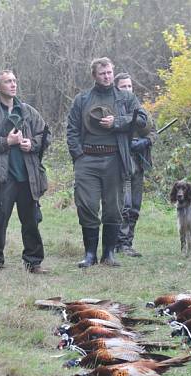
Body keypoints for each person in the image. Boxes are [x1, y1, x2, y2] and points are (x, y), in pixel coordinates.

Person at [67, 58, 147, 267]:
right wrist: (79, 156)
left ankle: (109, 254)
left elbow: (143, 120)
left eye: (110, 72)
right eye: (102, 73)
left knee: (114, 207)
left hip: (115, 158)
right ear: (94, 75)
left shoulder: (125, 98)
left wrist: (118, 121)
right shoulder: (82, 99)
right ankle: (90, 254)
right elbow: (72, 130)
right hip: (88, 159)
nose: (107, 76)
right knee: (87, 205)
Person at [0, 70, 49, 273]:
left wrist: (31, 144)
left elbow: (45, 136)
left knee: (31, 221)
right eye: (8, 82)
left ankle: (33, 262)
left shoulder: (28, 111)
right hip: (3, 177)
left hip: (28, 176)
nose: (13, 85)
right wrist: (6, 142)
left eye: (15, 81)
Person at [114, 72, 156, 257]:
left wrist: (146, 142)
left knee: (135, 206)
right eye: (124, 86)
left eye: (130, 86)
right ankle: (120, 243)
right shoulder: (113, 109)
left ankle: (128, 242)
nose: (128, 89)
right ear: (117, 88)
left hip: (139, 162)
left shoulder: (141, 109)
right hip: (121, 163)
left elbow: (153, 131)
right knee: (125, 204)